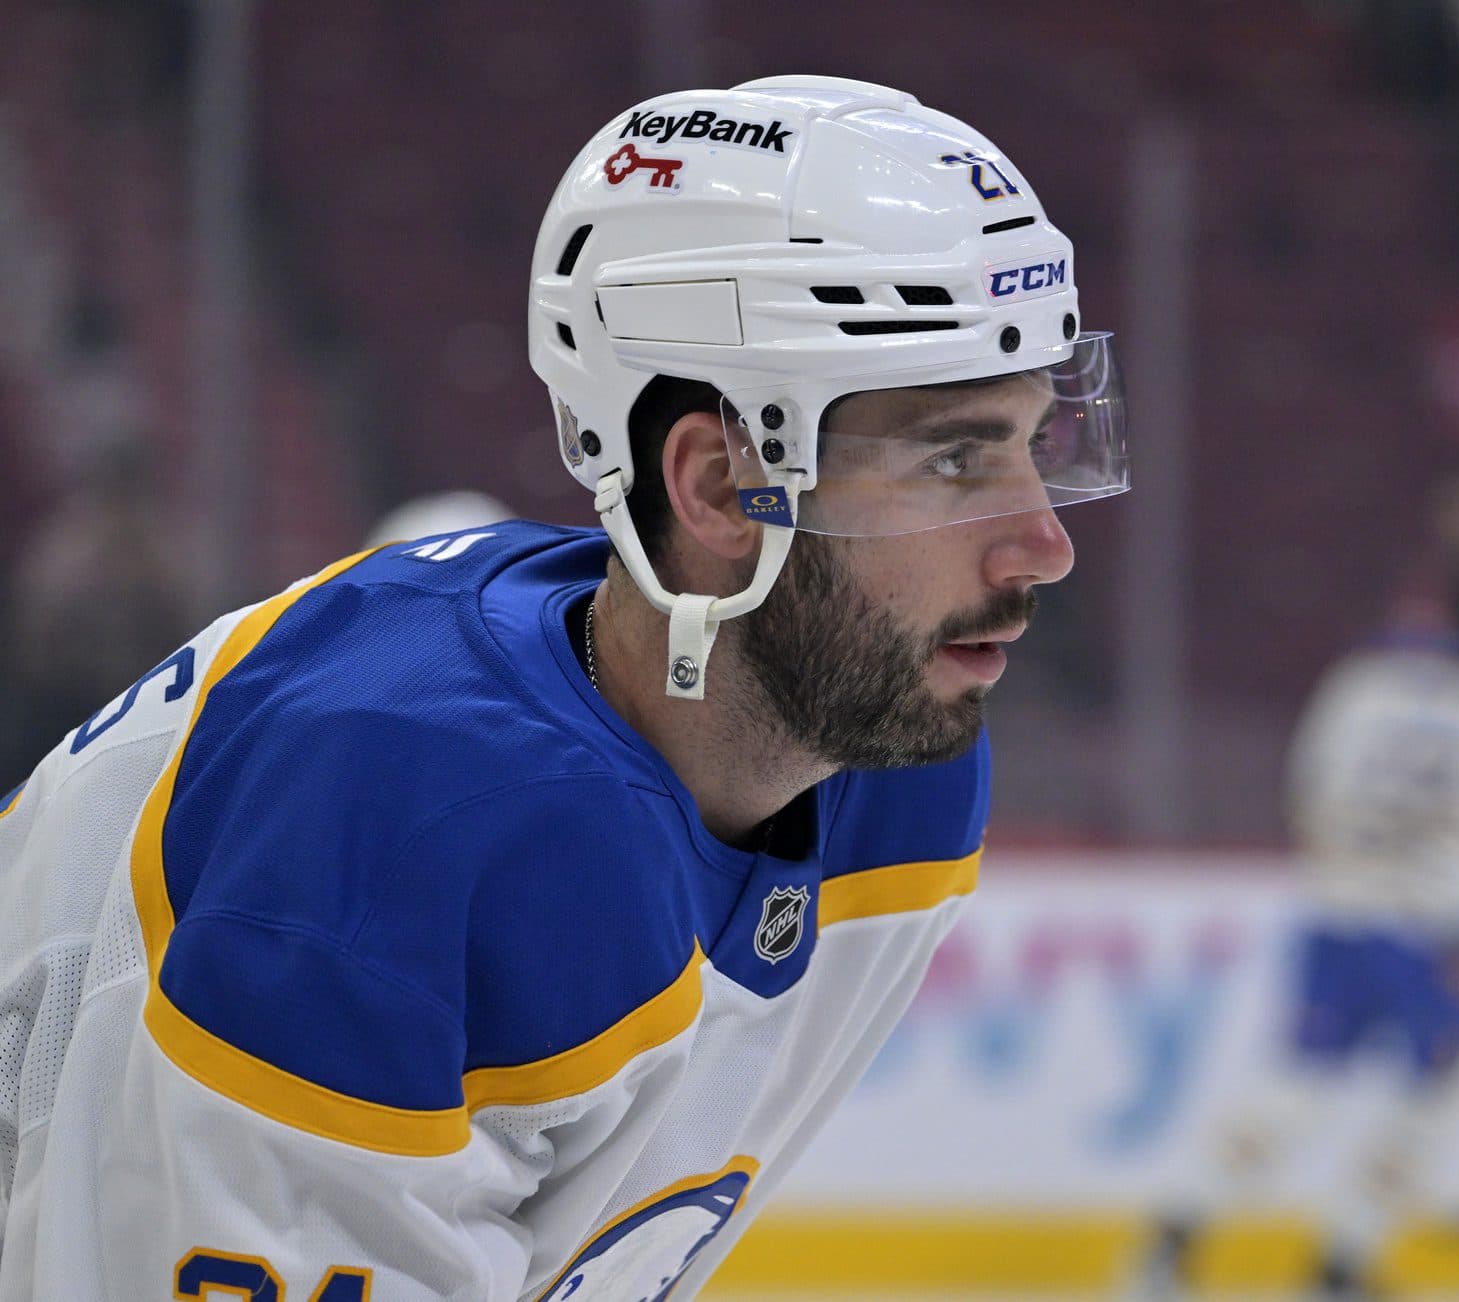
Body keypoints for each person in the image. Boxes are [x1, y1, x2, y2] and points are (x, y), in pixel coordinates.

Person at [0, 76, 1128, 1301]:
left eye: (1036, 442)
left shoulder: (891, 771)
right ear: (714, 486)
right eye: (953, 457)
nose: (1045, 546)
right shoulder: (390, 819)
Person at [1136, 526, 1459, 1300]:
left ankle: (1171, 1247)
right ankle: (1340, 1265)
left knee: (1296, 1087)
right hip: (1440, 935)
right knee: (1424, 1105)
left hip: (1339, 914)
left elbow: (1309, 790)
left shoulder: (1363, 681)